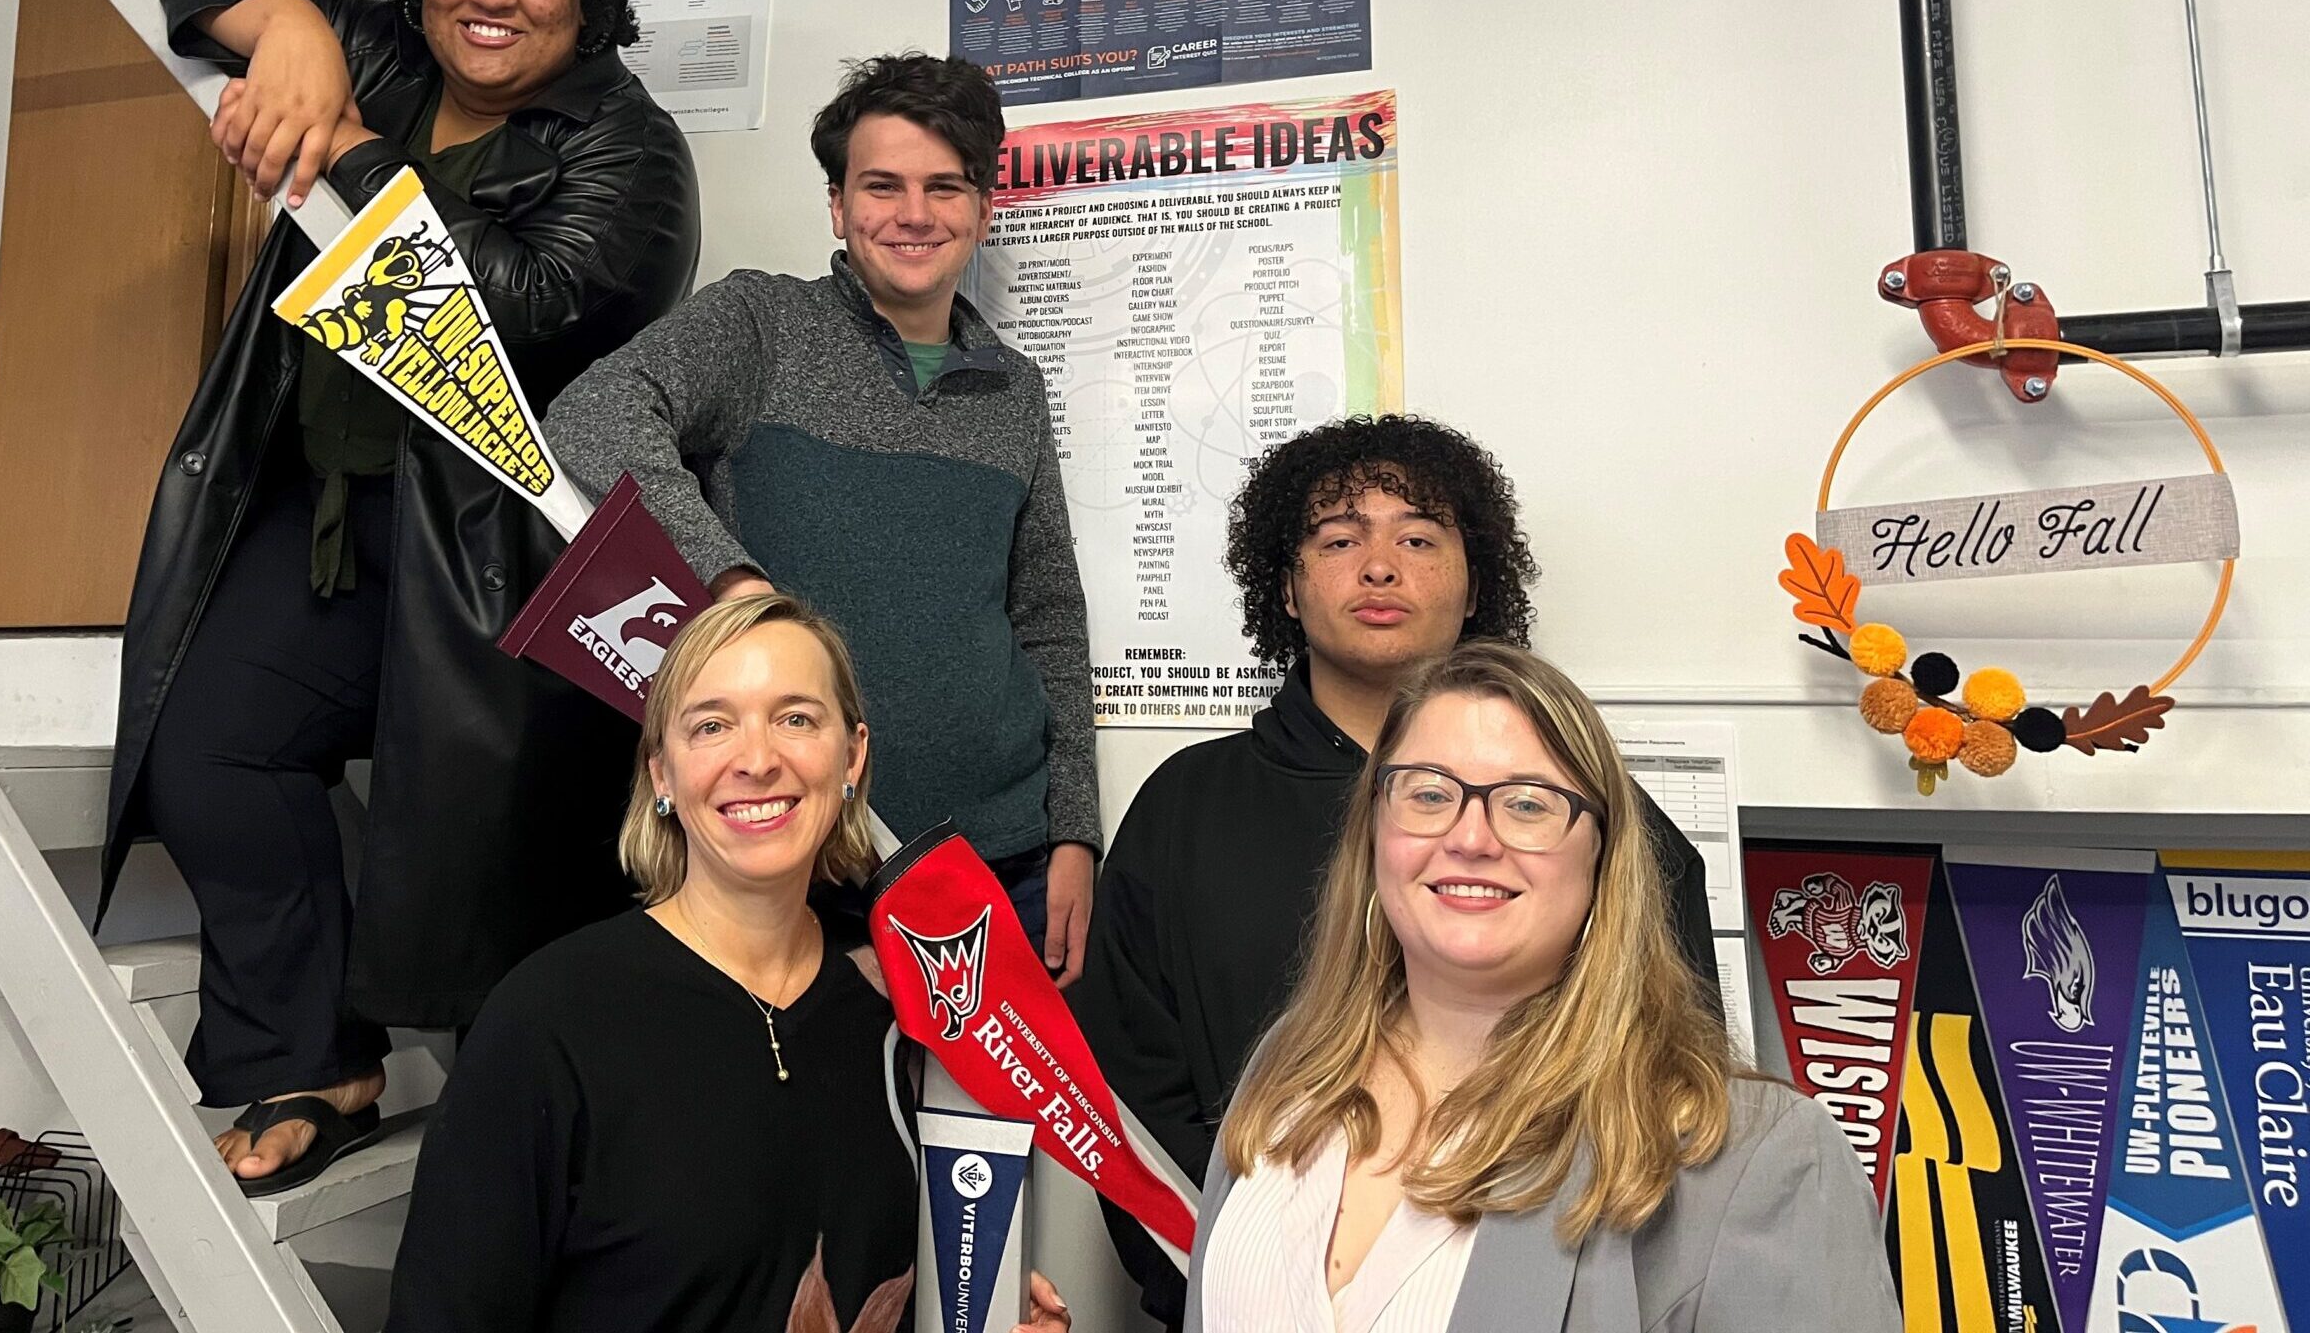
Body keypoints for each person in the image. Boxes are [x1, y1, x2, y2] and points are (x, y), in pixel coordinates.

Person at [100, 0, 700, 1193]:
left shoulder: (635, 153)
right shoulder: (382, 56)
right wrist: (299, 28)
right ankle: (309, 1051)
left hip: (493, 567)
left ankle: (521, 1134)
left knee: (510, 867)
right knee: (207, 753)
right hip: (314, 518)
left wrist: (357, 149)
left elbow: (522, 304)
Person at [1074, 415, 1717, 1324]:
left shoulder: (1594, 820)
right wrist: (1246, 1276)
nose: (1379, 567)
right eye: (1339, 540)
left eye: (1418, 537)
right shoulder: (1186, 806)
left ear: (1475, 581)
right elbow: (1130, 1100)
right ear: (1287, 590)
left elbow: (1665, 1086)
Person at [547, 52, 1101, 980]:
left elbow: (1047, 614)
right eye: (881, 185)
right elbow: (593, 415)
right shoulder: (762, 323)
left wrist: (1074, 831)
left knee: (983, 1131)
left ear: (983, 208)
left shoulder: (1015, 387)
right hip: (795, 859)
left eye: (945, 187)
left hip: (1002, 860)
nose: (914, 214)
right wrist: (729, 580)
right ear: (838, 206)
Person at [385, 593, 1071, 1333]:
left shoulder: (909, 1009)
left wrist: (980, 1314)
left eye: (796, 718)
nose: (757, 758)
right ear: (664, 777)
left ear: (852, 757)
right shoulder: (548, 1020)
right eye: (712, 724)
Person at [1183, 642, 1898, 1330]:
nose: (1469, 837)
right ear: (1372, 833)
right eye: (1429, 793)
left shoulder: (1753, 1156)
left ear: (1602, 857)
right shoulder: (1290, 1070)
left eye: (1527, 804)